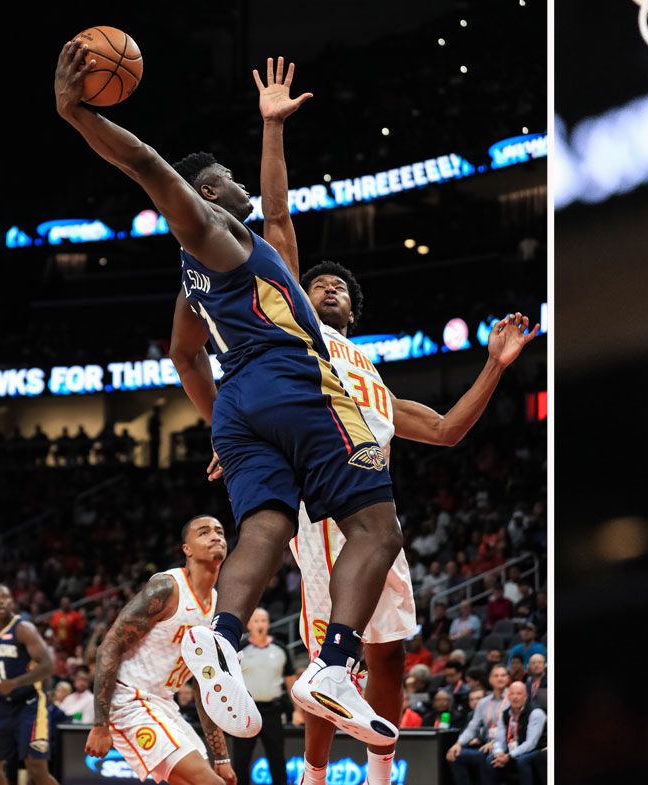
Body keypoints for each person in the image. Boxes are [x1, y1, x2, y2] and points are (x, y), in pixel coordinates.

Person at [54, 39, 400, 745]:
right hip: (295, 379)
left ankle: (221, 636)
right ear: (208, 193)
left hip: (240, 402)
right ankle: (334, 668)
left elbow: (186, 354)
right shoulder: (212, 231)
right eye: (228, 177)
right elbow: (150, 167)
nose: (242, 183)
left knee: (266, 527)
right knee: (377, 528)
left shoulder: (202, 272)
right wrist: (76, 113)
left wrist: (221, 429)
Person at [225, 60, 536, 785]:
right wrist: (272, 128)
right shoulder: (294, 330)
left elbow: (452, 431)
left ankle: (380, 768)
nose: (324, 287)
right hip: (326, 498)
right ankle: (311, 772)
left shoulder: (372, 376)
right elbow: (276, 219)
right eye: (316, 284)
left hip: (375, 503)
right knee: (329, 661)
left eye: (335, 287)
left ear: (353, 310)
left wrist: (494, 365)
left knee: (389, 651)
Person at [84, 517, 234, 785]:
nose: (215, 536)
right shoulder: (167, 588)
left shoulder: (217, 607)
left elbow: (204, 684)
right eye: (204, 532)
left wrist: (221, 758)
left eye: (220, 532)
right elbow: (110, 645)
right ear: (186, 549)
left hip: (164, 703)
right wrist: (100, 724)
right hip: (129, 699)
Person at [0, 585, 60, 785]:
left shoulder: (23, 629)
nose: (1, 601)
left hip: (30, 704)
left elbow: (48, 666)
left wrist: (16, 683)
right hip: (2, 707)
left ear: (12, 601)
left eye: (5, 597)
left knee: (36, 768)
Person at [234, 609, 292, 785]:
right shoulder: (240, 648)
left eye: (264, 620)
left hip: (273, 711)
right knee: (241, 759)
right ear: (249, 624)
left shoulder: (281, 649)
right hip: (245, 711)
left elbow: (290, 681)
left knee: (277, 757)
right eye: (256, 621)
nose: (260, 624)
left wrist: (297, 710)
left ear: (268, 623)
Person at [446, 666, 512, 785]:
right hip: (485, 745)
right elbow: (472, 727)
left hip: (505, 744)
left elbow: (511, 726)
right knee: (456, 755)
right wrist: (458, 743)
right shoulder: (483, 702)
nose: (500, 678)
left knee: (484, 758)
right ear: (490, 679)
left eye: (503, 675)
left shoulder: (513, 698)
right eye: (496, 676)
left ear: (508, 679)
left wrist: (494, 742)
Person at [491, 682, 545, 785]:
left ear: (525, 697)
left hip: (537, 749)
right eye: (512, 694)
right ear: (508, 696)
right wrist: (499, 753)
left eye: (519, 694)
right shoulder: (505, 714)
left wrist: (509, 756)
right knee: (491, 759)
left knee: (522, 760)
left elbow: (531, 743)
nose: (515, 697)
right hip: (513, 749)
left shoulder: (535, 713)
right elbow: (499, 740)